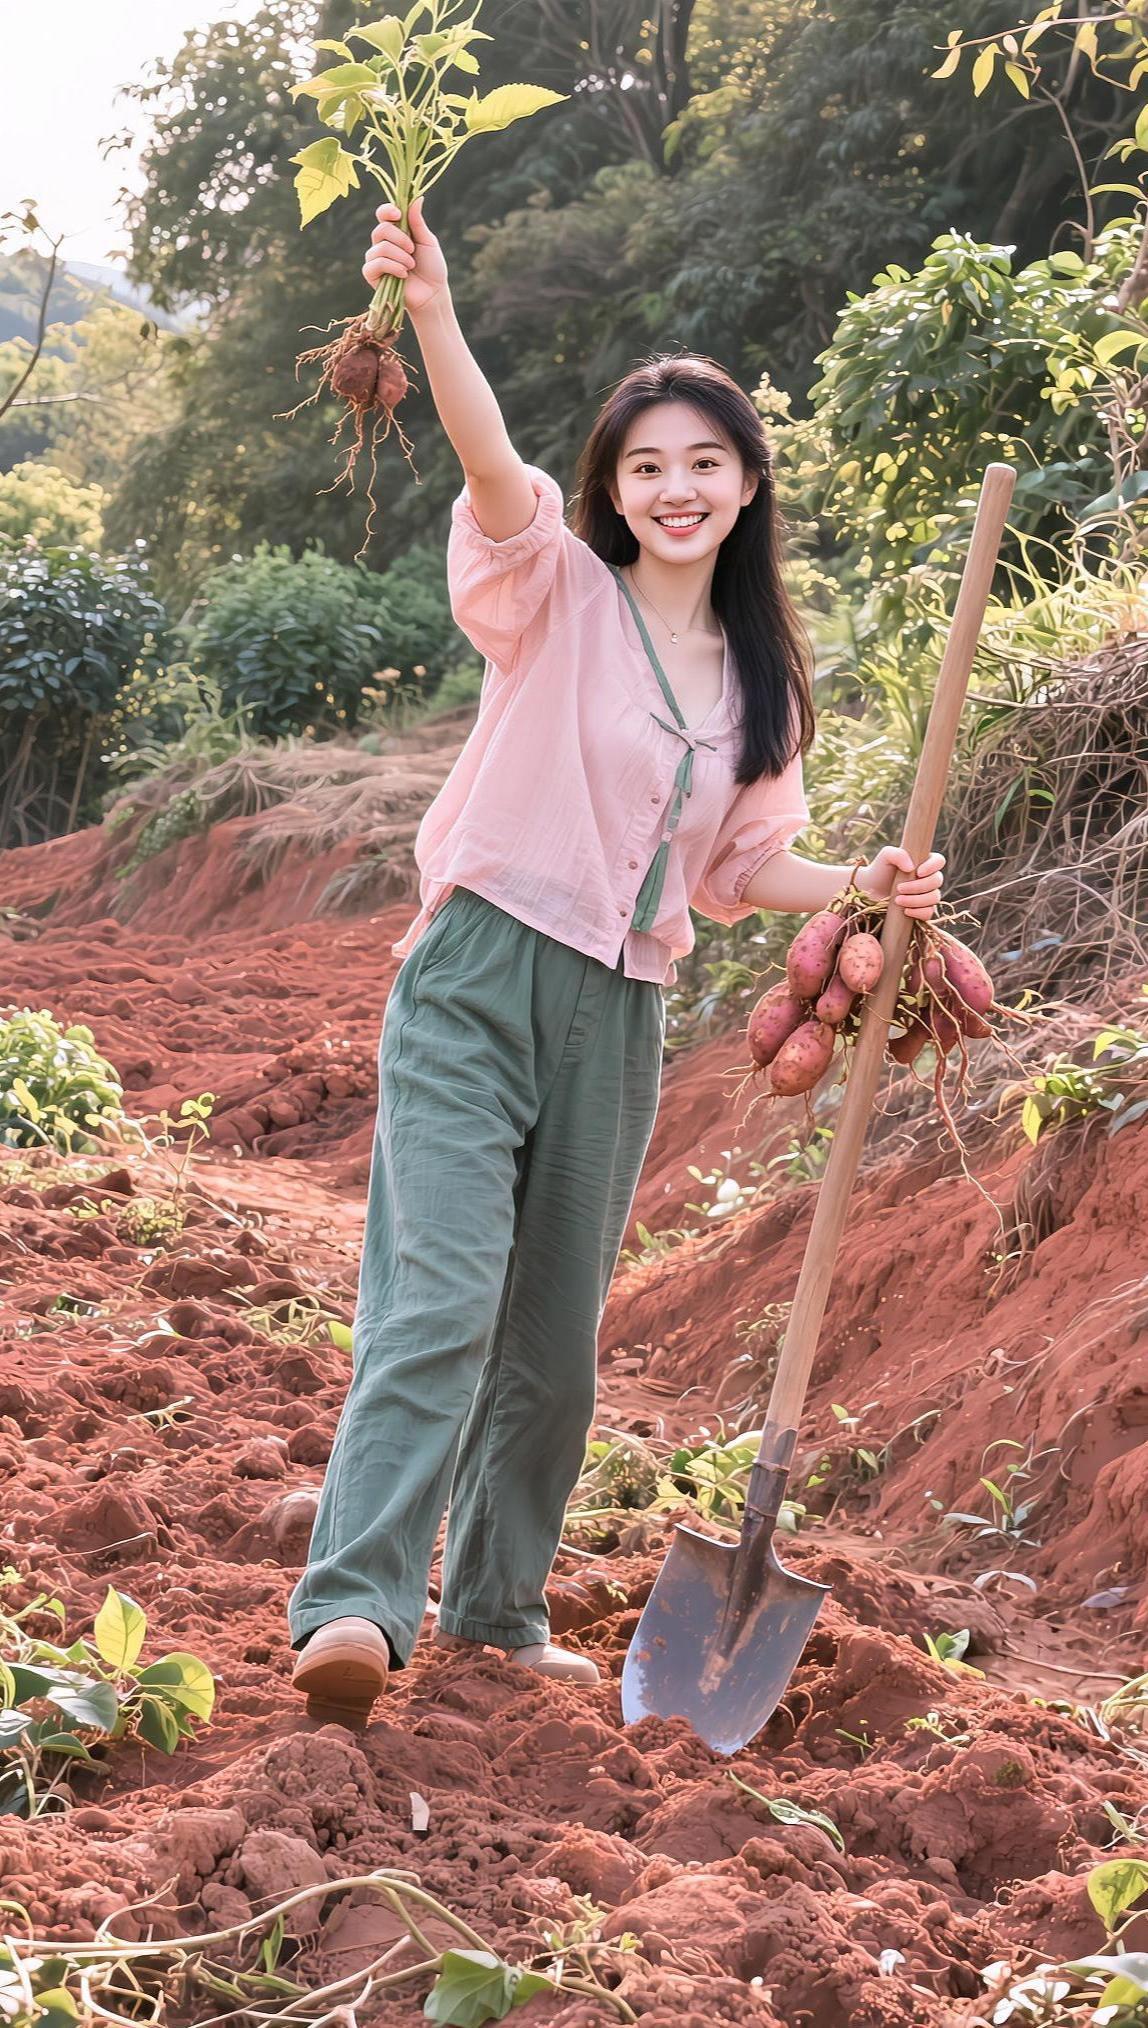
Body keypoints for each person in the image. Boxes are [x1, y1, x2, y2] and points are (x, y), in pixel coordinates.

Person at [288, 198, 945, 1727]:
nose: (675, 488)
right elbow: (487, 468)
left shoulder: (765, 686)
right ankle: (360, 1610)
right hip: (478, 974)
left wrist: (863, 879)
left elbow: (740, 864)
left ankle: (500, 1608)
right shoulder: (556, 595)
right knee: (439, 1296)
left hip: (621, 1009)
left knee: (555, 1341)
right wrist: (436, 314)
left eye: (703, 462)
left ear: (747, 483)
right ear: (610, 487)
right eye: (645, 465)